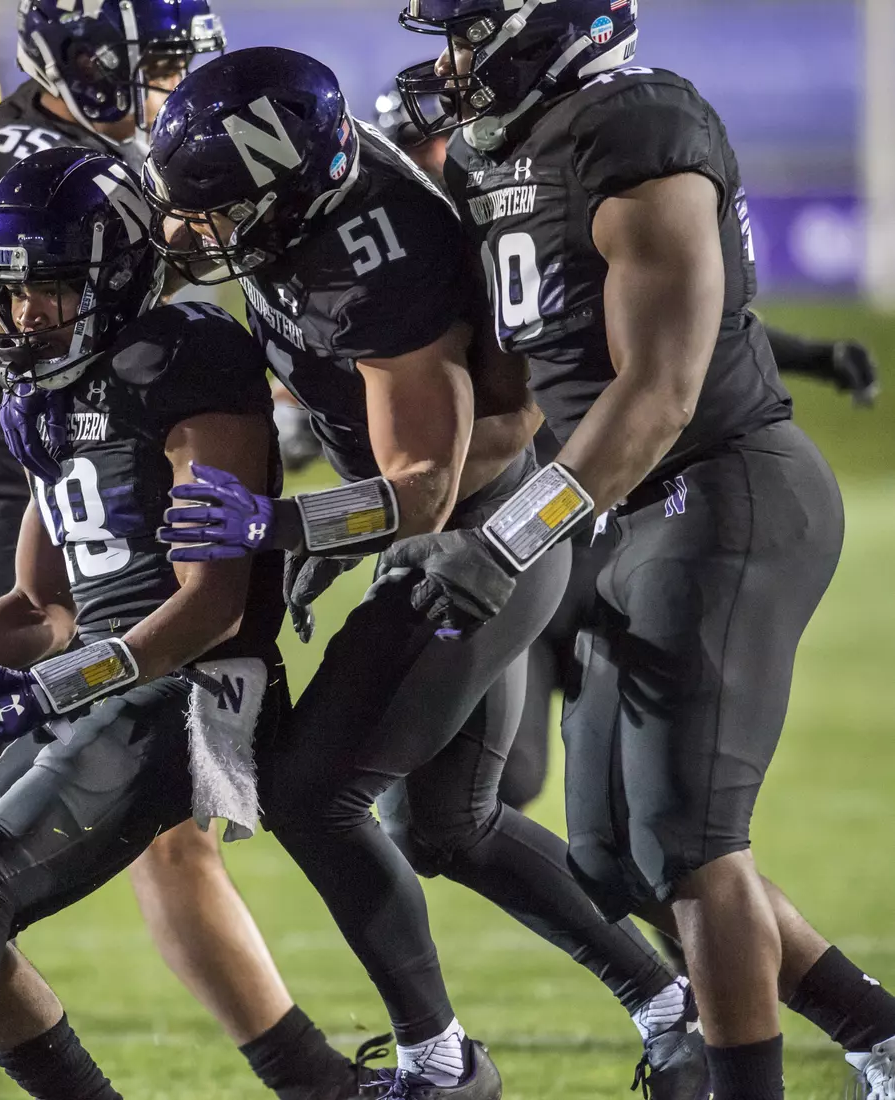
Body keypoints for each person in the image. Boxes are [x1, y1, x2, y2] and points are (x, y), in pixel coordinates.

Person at [146, 45, 703, 1098]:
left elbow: (420, 488)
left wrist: (283, 526)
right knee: (449, 822)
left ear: (287, 190)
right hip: (463, 518)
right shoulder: (311, 211)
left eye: (213, 208)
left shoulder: (372, 255)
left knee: (315, 795)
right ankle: (676, 1010)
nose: (190, 230)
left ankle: (440, 1064)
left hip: (476, 539)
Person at [392, 2, 895, 1096]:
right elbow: (526, 394)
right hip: (625, 505)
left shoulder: (641, 125)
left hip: (720, 489)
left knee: (687, 839)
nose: (450, 60)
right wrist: (406, 515)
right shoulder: (510, 147)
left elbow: (661, 392)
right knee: (615, 858)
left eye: (470, 30)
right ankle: (879, 1031)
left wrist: (515, 539)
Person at [0, 0, 310, 1078]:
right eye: (11, 297)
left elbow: (205, 599)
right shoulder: (28, 287)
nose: (17, 320)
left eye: (42, 290)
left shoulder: (175, 327)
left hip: (148, 586)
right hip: (55, 567)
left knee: (51, 850)